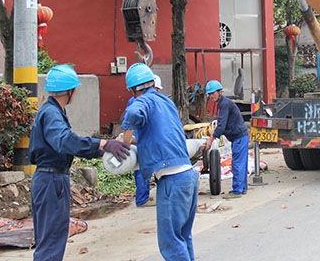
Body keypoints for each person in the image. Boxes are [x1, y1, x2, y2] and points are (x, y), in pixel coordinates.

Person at [29, 65, 129, 261]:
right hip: (51, 181)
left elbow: (66, 145)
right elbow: (65, 141)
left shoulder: (52, 111)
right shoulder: (51, 114)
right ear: (69, 91)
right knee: (51, 242)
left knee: (51, 239)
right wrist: (104, 143)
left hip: (49, 178)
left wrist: (100, 152)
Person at [121, 63, 199, 261]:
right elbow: (160, 134)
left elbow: (132, 114)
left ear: (133, 90)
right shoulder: (166, 102)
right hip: (189, 176)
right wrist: (135, 139)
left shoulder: (143, 101)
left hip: (171, 180)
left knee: (170, 243)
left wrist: (124, 141)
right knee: (182, 237)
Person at [203, 80, 249, 199]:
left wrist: (211, 139)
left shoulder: (224, 104)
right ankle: (242, 188)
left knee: (237, 164)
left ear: (219, 92)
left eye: (213, 93)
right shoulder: (223, 103)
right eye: (209, 94)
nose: (211, 96)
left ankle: (237, 190)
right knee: (241, 163)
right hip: (240, 136)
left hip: (239, 137)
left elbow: (221, 125)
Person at [131, 74, 163, 207]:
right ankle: (142, 199)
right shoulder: (140, 102)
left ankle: (144, 197)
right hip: (141, 140)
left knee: (148, 168)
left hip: (144, 139)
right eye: (157, 89)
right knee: (142, 170)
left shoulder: (142, 100)